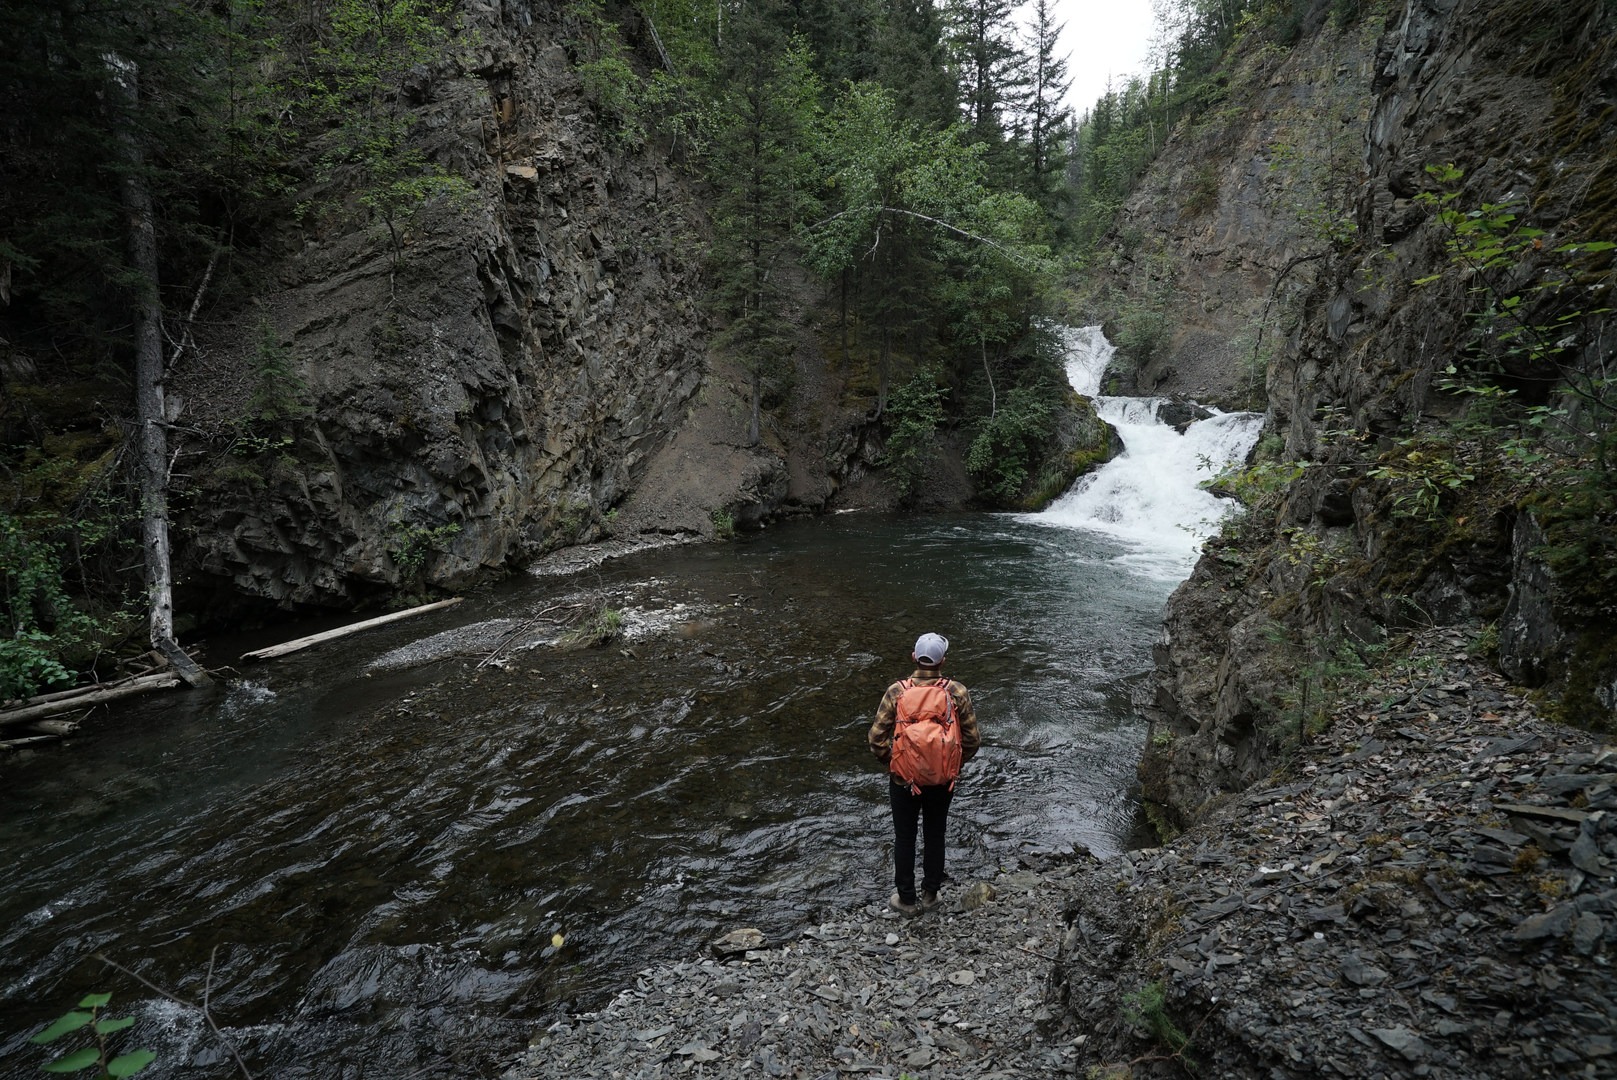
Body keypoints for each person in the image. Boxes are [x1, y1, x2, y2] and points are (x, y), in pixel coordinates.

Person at [867, 632, 980, 915]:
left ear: (914, 658)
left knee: (904, 837)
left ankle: (906, 899)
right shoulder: (957, 691)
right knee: (935, 833)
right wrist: (952, 764)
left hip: (904, 780)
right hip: (943, 780)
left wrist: (895, 763)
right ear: (944, 661)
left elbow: (876, 738)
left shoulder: (897, 691)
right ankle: (931, 895)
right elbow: (972, 739)